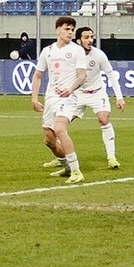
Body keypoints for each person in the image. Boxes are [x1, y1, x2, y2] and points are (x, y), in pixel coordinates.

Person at [54, 26, 126, 169]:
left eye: (91, 37)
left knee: (103, 119)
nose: (90, 40)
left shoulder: (99, 55)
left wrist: (119, 97)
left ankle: (111, 157)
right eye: (86, 37)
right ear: (78, 40)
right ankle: (61, 156)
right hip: (77, 94)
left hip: (97, 93)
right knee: (58, 125)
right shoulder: (71, 55)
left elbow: (111, 74)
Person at [30, 16, 87, 183]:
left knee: (60, 129)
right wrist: (34, 98)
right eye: (67, 29)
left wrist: (70, 89)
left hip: (70, 97)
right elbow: (38, 75)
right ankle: (68, 167)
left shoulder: (77, 50)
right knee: (49, 139)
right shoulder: (47, 51)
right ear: (57, 30)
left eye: (72, 30)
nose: (70, 32)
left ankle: (77, 172)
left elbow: (82, 76)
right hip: (51, 98)